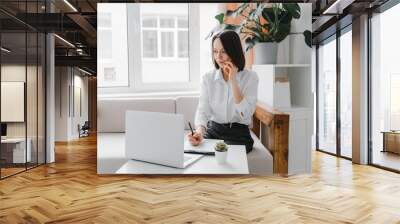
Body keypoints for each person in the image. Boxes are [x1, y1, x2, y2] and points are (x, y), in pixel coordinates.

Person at [187, 30, 259, 153]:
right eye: (215, 51)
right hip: (214, 131)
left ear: (233, 51)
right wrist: (199, 132)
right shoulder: (208, 78)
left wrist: (233, 80)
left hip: (239, 134)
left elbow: (245, 114)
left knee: (224, 154)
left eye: (223, 51)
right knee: (196, 152)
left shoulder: (250, 77)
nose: (218, 57)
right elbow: (203, 111)